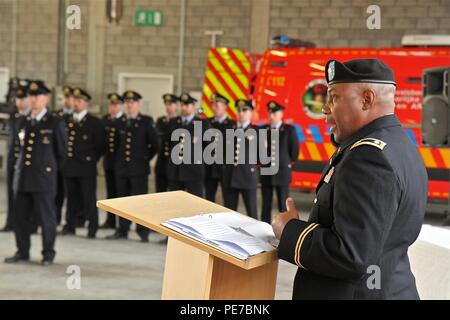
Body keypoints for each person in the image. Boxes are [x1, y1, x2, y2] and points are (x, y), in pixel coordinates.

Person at [272, 58, 427, 299]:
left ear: (367, 100)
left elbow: (350, 256)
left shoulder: (368, 158)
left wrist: (289, 230)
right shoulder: (397, 143)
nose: (325, 108)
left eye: (334, 97)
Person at [4, 80, 67, 266]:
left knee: (46, 218)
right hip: (22, 177)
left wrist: (49, 170)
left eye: (37, 96)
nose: (33, 100)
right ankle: (22, 251)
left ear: (46, 98)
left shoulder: (55, 122)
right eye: (31, 96)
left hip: (43, 179)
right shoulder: (23, 121)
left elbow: (61, 154)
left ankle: (48, 253)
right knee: (20, 217)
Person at [106, 90, 158, 242]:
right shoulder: (120, 122)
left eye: (132, 102)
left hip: (138, 168)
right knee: (123, 201)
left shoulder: (146, 121)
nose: (129, 105)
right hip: (122, 168)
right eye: (127, 102)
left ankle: (142, 231)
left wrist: (143, 159)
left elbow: (155, 145)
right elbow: (115, 146)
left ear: (138, 104)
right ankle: (122, 229)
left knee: (140, 202)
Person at [61, 88, 106, 238]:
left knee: (88, 198)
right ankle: (70, 225)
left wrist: (91, 160)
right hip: (70, 166)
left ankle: (92, 227)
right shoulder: (66, 121)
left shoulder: (94, 123)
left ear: (86, 103)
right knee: (71, 198)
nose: (76, 104)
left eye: (79, 101)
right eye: (74, 100)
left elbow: (100, 146)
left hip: (86, 167)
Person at [164, 92, 211, 198]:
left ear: (193, 107)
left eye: (187, 105)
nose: (184, 108)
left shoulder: (202, 124)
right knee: (175, 205)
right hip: (175, 171)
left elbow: (209, 149)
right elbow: (167, 144)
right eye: (182, 105)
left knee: (194, 206)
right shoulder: (173, 122)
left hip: (194, 172)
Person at [260, 101, 298, 223]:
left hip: (282, 172)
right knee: (266, 204)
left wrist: (287, 163)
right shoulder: (263, 130)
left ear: (281, 114)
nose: (271, 116)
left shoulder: (288, 130)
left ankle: (284, 229)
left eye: (275, 113)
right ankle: (264, 227)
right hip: (267, 172)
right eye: (270, 113)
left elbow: (294, 151)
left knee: (283, 204)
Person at [1, 83, 32, 232]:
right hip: (13, 161)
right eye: (17, 98)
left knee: (26, 195)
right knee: (11, 193)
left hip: (27, 163)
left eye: (22, 98)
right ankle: (10, 222)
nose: (19, 101)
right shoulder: (14, 116)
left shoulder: (32, 117)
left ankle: (28, 223)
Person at [222, 99, 259, 219]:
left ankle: (255, 238)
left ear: (251, 113)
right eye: (239, 110)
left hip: (248, 176)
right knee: (228, 213)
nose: (241, 113)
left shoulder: (258, 132)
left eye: (244, 110)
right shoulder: (228, 129)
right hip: (230, 176)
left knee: (251, 213)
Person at [100, 93, 126, 229]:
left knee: (121, 194)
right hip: (109, 162)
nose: (113, 107)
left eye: (115, 104)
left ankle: (122, 224)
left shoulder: (125, 121)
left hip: (121, 164)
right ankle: (110, 221)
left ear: (121, 106)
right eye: (111, 104)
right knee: (110, 193)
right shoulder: (105, 120)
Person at [205, 93, 235, 203]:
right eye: (212, 105)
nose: (214, 108)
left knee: (228, 199)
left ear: (225, 107)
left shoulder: (233, 125)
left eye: (217, 105)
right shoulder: (206, 122)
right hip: (209, 167)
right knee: (208, 199)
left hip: (225, 168)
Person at [54, 85, 74, 225]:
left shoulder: (77, 116)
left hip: (73, 162)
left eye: (70, 97)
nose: (67, 101)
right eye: (65, 97)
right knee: (57, 193)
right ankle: (56, 219)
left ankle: (73, 221)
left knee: (73, 194)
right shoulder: (57, 115)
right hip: (58, 162)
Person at [154, 94, 179, 193]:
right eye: (166, 104)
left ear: (176, 105)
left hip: (174, 164)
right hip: (161, 162)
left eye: (171, 104)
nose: (168, 107)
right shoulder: (161, 120)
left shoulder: (179, 122)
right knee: (160, 192)